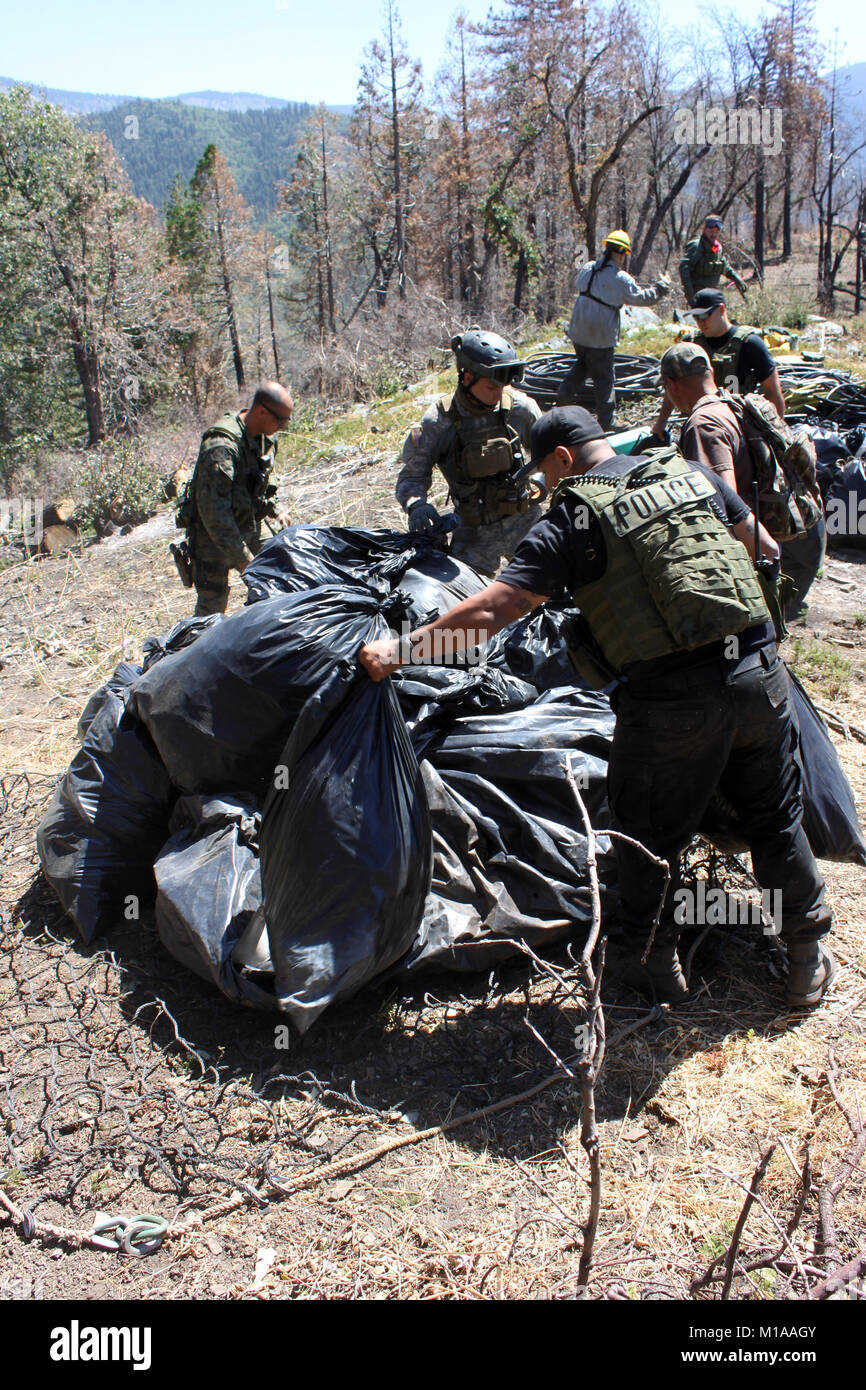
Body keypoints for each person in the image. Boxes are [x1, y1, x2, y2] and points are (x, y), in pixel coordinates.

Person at [360, 406, 836, 1011]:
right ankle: (804, 961)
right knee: (774, 817)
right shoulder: (692, 474)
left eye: (545, 473)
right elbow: (764, 548)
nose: (545, 486)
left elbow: (492, 611)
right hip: (759, 676)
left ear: (562, 458)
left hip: (671, 703)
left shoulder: (574, 518)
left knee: (646, 837)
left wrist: (398, 653)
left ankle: (650, 971)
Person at [652, 342, 824, 621]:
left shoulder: (704, 424)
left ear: (671, 385)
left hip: (768, 550)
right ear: (710, 373)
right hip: (802, 534)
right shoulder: (743, 403)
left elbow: (722, 507)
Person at [395, 328, 543, 576]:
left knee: (555, 588)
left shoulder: (520, 408)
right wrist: (416, 505)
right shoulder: (437, 421)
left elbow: (550, 451)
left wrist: (541, 477)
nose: (498, 394)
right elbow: (411, 477)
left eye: (502, 387)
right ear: (467, 379)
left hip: (524, 520)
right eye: (490, 387)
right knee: (461, 601)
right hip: (474, 531)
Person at [177, 382, 292, 615]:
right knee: (212, 609)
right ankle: (195, 648)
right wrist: (243, 559)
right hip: (212, 537)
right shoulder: (222, 446)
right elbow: (214, 515)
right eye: (280, 420)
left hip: (248, 522)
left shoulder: (263, 437)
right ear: (261, 411)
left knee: (280, 574)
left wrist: (276, 509)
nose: (282, 426)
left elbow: (260, 482)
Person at [558, 230, 671, 429]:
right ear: (621, 254)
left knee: (583, 365)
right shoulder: (621, 278)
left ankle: (563, 394)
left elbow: (579, 284)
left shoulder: (588, 267)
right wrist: (661, 288)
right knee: (604, 380)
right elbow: (642, 298)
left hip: (579, 332)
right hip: (599, 337)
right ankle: (607, 424)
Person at [679, 214, 748, 302]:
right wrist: (690, 294)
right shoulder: (696, 246)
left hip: (713, 293)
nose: (714, 234)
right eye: (711, 231)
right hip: (699, 295)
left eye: (716, 231)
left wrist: (737, 279)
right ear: (704, 229)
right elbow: (684, 269)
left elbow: (725, 267)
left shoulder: (718, 247)